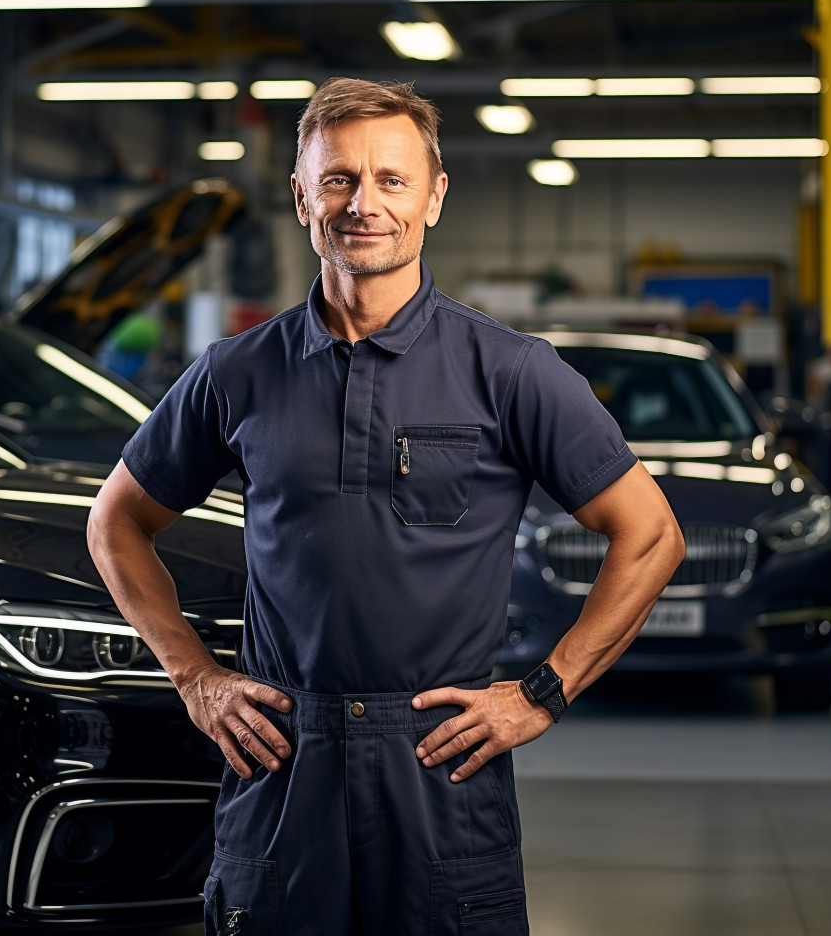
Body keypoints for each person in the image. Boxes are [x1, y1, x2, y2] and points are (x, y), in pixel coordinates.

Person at [87, 77, 685, 936]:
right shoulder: (235, 372)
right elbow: (116, 522)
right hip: (283, 763)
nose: (363, 203)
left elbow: (651, 534)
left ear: (434, 197)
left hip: (438, 767)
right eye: (338, 180)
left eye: (392, 180)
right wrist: (197, 678)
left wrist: (543, 692)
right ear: (302, 197)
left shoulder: (511, 372)